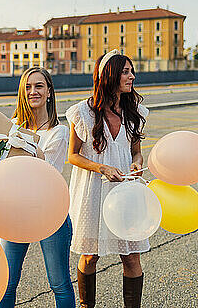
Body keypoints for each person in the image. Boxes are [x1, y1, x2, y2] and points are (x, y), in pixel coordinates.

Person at [66, 50, 148, 308]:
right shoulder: (82, 112)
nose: (132, 76)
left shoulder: (136, 111)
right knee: (90, 256)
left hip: (126, 192)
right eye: (125, 71)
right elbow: (73, 156)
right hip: (93, 191)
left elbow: (136, 151)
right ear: (108, 74)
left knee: (132, 256)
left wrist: (137, 163)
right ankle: (85, 305)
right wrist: (101, 167)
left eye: (131, 71)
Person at [0, 67, 75, 308]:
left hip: (50, 212)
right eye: (28, 87)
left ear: (49, 92)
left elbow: (43, 174)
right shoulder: (10, 127)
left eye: (39, 86)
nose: (33, 91)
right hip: (16, 215)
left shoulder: (59, 132)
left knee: (59, 283)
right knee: (5, 283)